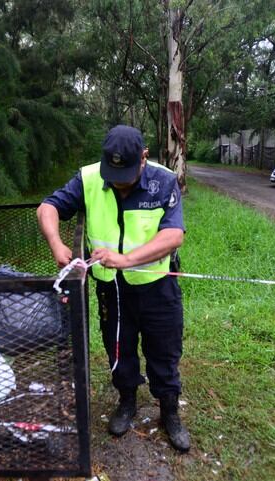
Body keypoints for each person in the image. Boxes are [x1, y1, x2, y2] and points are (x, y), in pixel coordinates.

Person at [36, 125, 190, 452]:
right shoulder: (89, 178)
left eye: (126, 173)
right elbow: (47, 208)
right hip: (112, 289)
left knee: (164, 349)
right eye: (113, 173)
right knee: (118, 347)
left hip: (157, 286)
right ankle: (127, 400)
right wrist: (56, 244)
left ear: (144, 158)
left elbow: (174, 235)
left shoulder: (163, 181)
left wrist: (127, 258)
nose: (118, 181)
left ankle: (169, 410)